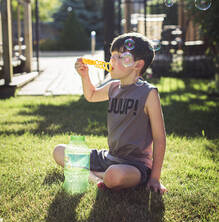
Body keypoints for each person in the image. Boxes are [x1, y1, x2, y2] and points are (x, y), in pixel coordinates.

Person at [53, 32, 167, 194]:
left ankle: (90, 174)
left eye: (120, 57)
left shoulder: (148, 93)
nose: (112, 60)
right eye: (112, 55)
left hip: (134, 165)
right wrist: (84, 76)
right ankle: (98, 178)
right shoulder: (113, 86)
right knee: (59, 150)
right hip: (108, 157)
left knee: (114, 176)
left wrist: (155, 178)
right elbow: (91, 95)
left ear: (138, 65)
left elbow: (159, 138)